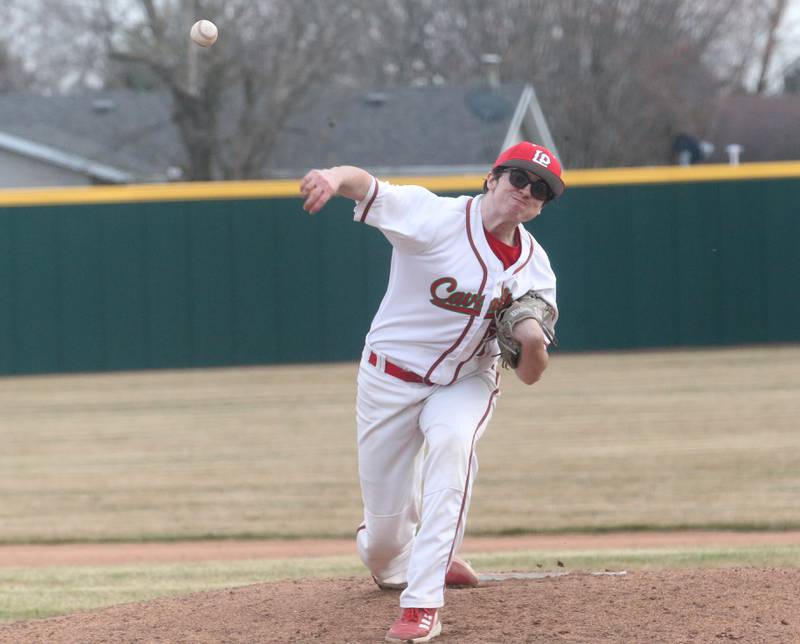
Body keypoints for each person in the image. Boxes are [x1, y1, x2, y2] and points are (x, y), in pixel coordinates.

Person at [299, 141, 565, 642]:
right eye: (519, 179)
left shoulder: (536, 267)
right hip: (388, 379)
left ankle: (423, 603)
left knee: (452, 445)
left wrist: (532, 340)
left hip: (467, 380)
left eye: (540, 191)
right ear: (493, 178)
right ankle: (402, 556)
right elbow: (367, 185)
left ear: (542, 206)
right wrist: (333, 178)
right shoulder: (435, 217)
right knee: (382, 548)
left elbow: (530, 374)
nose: (526, 192)